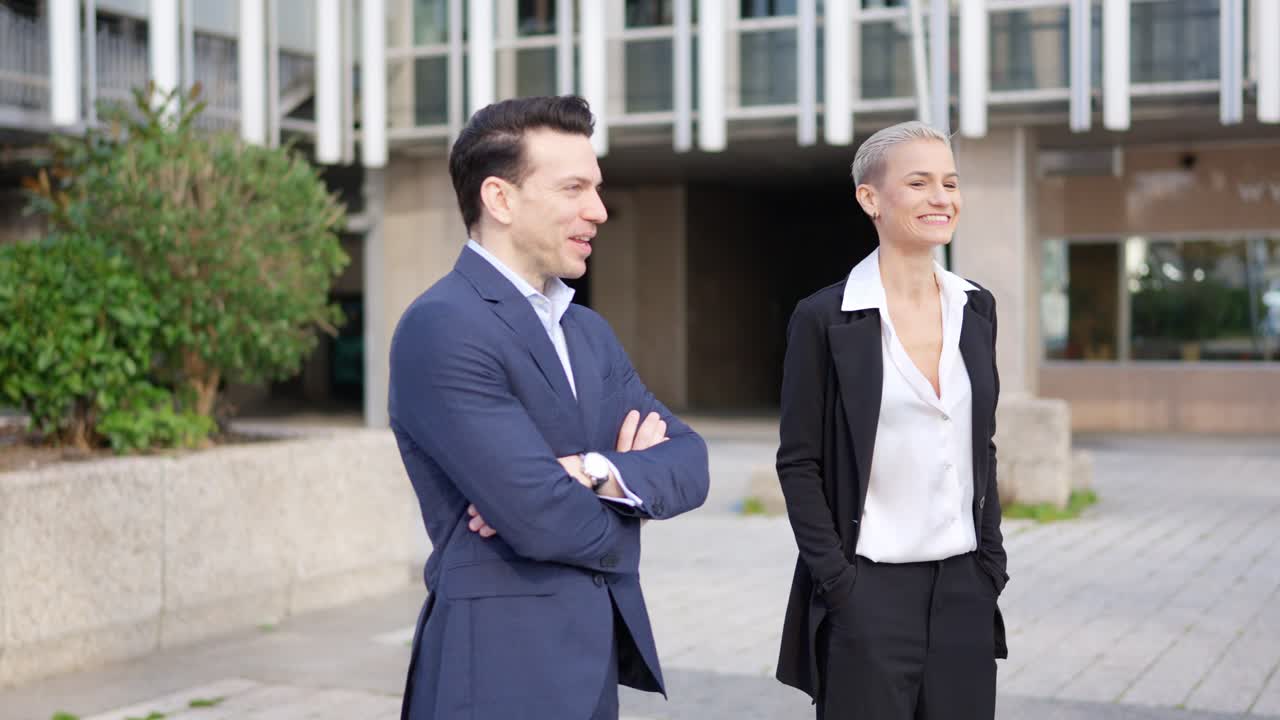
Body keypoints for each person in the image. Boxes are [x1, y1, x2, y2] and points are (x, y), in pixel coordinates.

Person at [388, 95, 710, 720]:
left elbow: (692, 462)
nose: (598, 210)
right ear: (500, 199)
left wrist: (592, 471)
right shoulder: (444, 326)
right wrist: (632, 494)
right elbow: (541, 519)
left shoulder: (587, 331)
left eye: (597, 188)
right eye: (573, 188)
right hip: (497, 675)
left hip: (591, 670)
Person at [773, 120, 1009, 719]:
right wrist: (839, 583)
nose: (941, 198)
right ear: (870, 198)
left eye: (950, 183)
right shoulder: (825, 318)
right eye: (919, 183)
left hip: (964, 590)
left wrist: (990, 563)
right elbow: (799, 463)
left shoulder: (975, 307)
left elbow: (981, 442)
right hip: (867, 593)